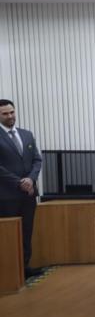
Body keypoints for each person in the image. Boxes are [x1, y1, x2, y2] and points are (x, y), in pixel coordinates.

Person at [0, 99, 43, 279]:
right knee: (10, 235)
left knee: (26, 231)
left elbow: (36, 160)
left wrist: (30, 179)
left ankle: (25, 268)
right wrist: (19, 182)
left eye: (12, 112)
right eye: (5, 114)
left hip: (28, 194)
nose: (10, 116)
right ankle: (11, 271)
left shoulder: (26, 134)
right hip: (7, 196)